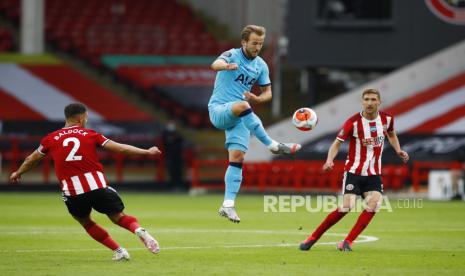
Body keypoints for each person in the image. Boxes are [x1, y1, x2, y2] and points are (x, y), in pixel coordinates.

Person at [9, 103, 161, 261]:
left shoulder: (51, 138)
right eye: (86, 117)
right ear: (81, 118)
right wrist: (147, 152)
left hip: (73, 191)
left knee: (85, 221)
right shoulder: (90, 134)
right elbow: (120, 148)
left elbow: (31, 159)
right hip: (97, 186)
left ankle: (119, 250)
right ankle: (138, 230)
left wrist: (18, 172)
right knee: (118, 216)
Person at [208, 25, 301, 223]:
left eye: (260, 43)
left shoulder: (261, 65)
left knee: (238, 158)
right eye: (254, 43)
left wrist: (258, 99)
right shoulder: (232, 55)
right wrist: (226, 66)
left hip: (240, 115)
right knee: (243, 104)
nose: (258, 47)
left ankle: (228, 205)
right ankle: (272, 145)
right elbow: (215, 64)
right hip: (219, 109)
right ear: (243, 42)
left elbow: (268, 93)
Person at [299, 88, 409, 252]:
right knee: (347, 206)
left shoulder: (387, 120)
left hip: (373, 173)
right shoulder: (353, 122)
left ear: (379, 102)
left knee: (374, 204)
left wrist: (398, 150)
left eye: (373, 99)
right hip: (354, 172)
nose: (370, 103)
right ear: (362, 102)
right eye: (366, 99)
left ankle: (347, 242)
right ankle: (313, 237)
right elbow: (336, 143)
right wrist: (330, 160)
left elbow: (392, 135)